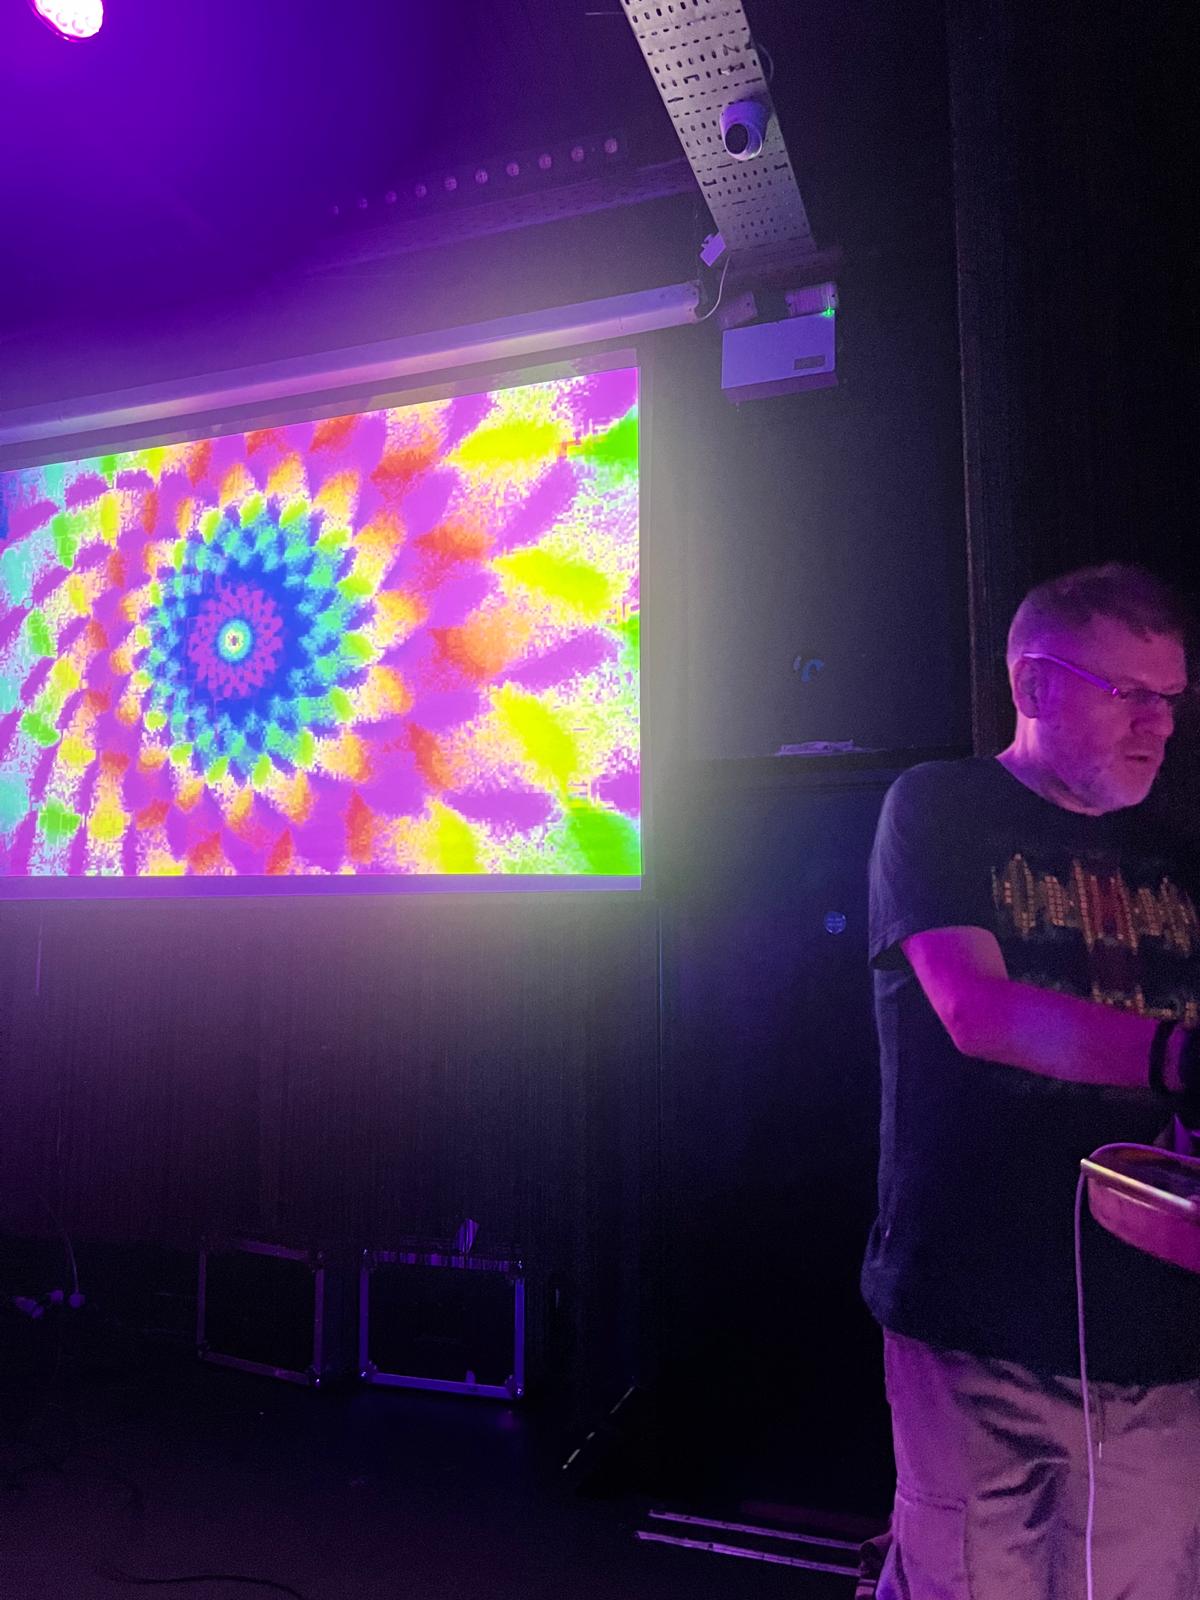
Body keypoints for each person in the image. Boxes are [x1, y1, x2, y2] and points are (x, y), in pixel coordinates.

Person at [862, 563, 1200, 1599]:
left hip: (1156, 1334)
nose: (1158, 725)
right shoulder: (941, 806)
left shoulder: (1179, 851)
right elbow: (978, 1010)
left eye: (1171, 699)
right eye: (1128, 693)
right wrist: (1175, 1058)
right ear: (1035, 685)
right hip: (975, 1318)